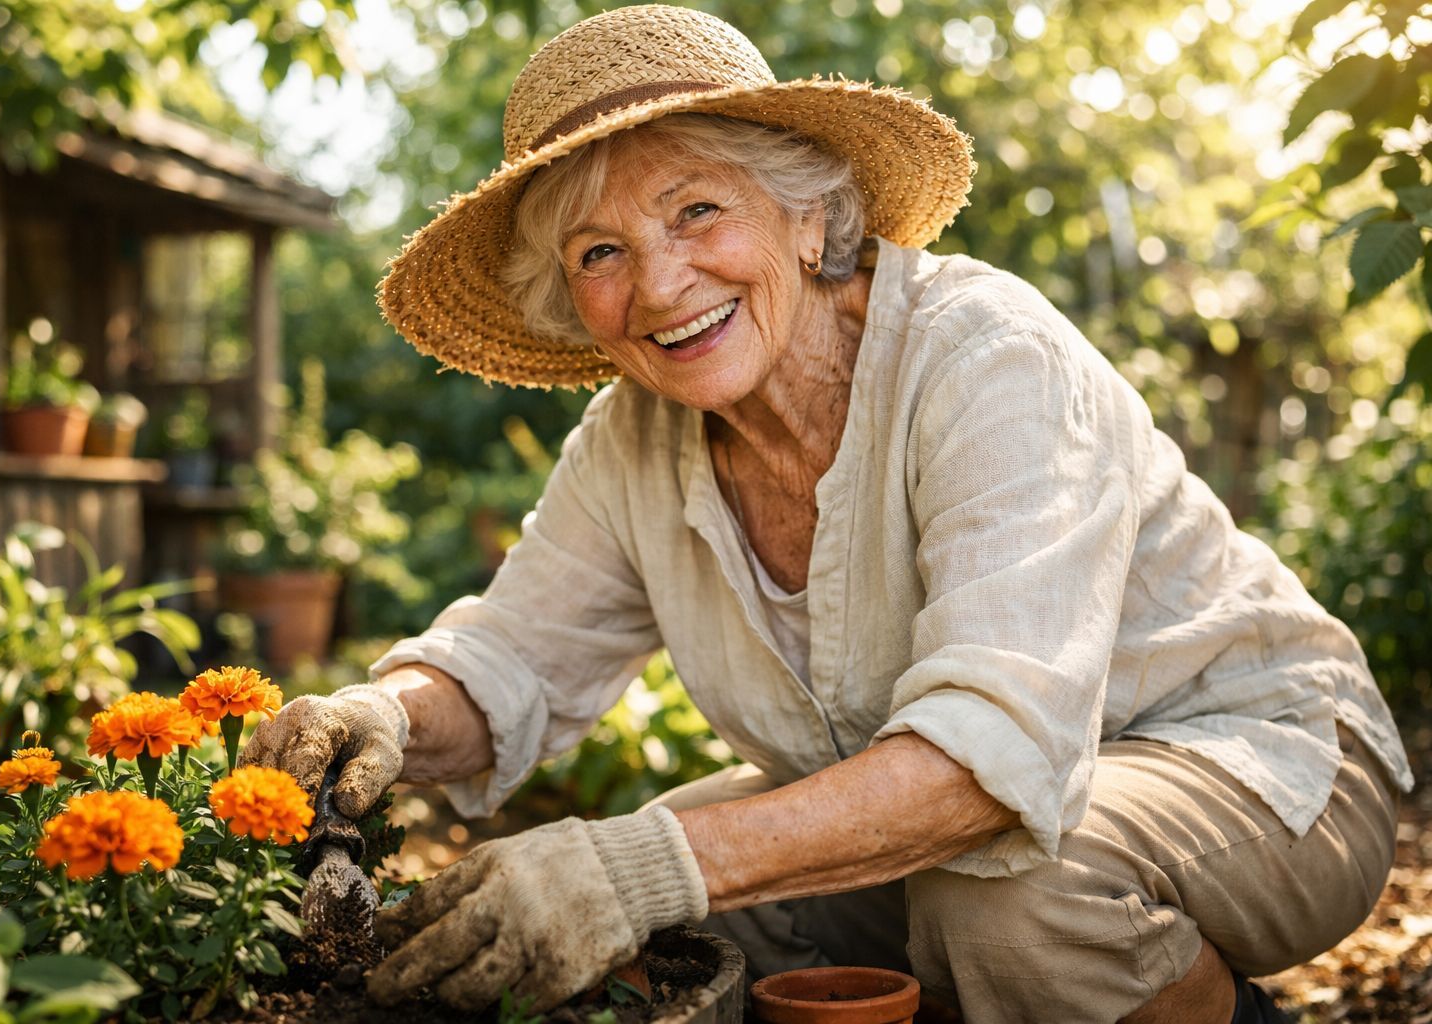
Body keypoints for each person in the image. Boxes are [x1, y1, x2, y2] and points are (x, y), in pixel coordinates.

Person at [239, 6, 1411, 1022]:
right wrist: (381, 710)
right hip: (977, 806)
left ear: (808, 214)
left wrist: (637, 864)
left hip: (1254, 756)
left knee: (1013, 902)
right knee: (670, 935)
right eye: (603, 250)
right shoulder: (633, 440)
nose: (659, 284)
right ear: (572, 300)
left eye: (698, 210)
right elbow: (511, 657)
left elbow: (984, 769)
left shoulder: (984, 356)